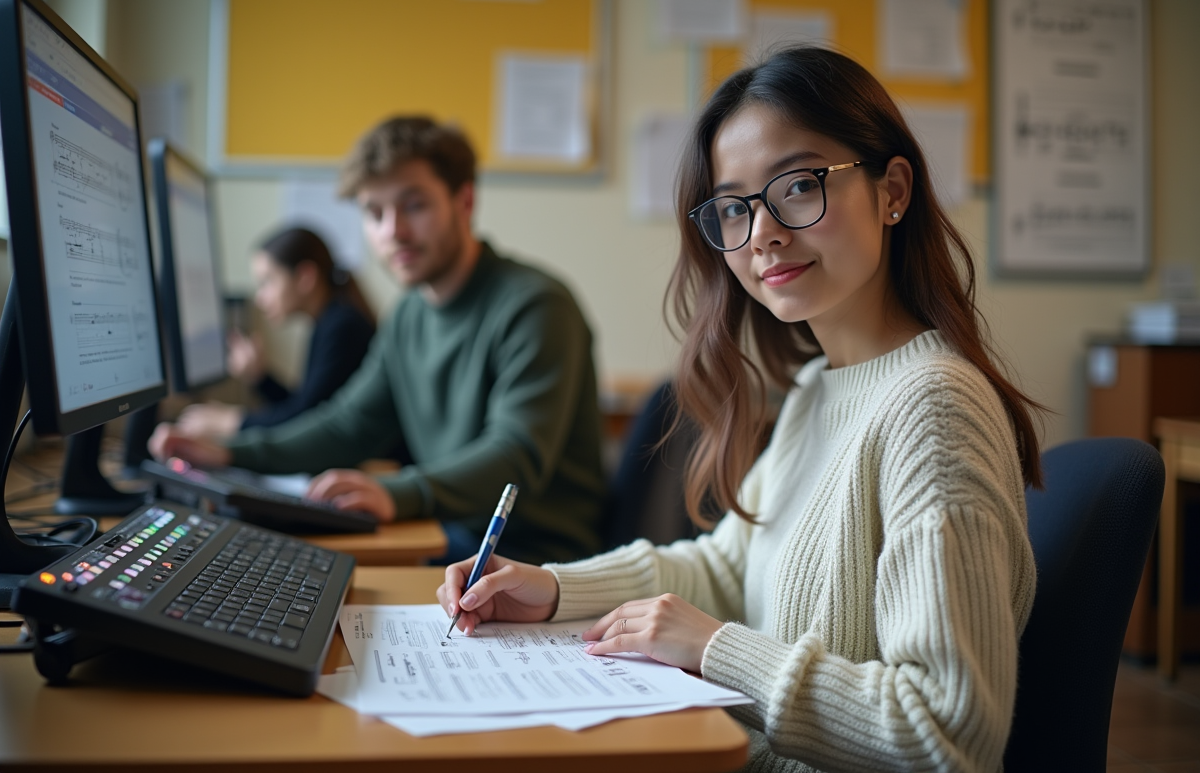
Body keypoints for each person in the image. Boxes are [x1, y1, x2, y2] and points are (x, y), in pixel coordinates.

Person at [436, 46, 1042, 772]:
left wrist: (716, 649)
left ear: (893, 191)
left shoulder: (934, 410)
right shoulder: (819, 388)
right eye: (734, 207)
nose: (763, 233)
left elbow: (947, 733)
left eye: (797, 185)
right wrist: (555, 588)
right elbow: (725, 570)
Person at [152, 116, 606, 566]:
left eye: (414, 206)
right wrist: (232, 452)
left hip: (534, 561)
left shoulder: (536, 305)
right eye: (374, 212)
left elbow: (515, 457)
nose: (393, 231)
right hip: (450, 536)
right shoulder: (409, 314)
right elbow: (347, 424)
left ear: (464, 201)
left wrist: (399, 492)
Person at [175, 226, 376, 438]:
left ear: (305, 278)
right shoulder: (330, 321)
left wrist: (229, 420)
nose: (260, 298)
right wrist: (259, 377)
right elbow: (304, 405)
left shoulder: (342, 328)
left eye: (267, 282)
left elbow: (304, 419)